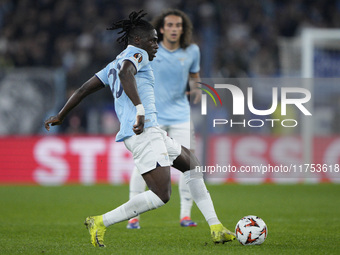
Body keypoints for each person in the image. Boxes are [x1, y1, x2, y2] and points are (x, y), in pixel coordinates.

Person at [44, 10, 235, 248]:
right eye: (153, 39)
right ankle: (100, 221)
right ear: (138, 40)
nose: (156, 44)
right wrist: (140, 110)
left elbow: (83, 89)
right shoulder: (137, 54)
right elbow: (126, 72)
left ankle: (216, 227)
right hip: (142, 131)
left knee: (192, 164)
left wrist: (61, 115)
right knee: (162, 194)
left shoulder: (112, 64)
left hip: (151, 131)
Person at [127, 9, 201, 229]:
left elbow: (195, 76)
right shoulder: (151, 50)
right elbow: (130, 73)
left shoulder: (192, 51)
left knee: (189, 164)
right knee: (144, 164)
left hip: (180, 116)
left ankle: (185, 216)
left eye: (178, 25)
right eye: (170, 25)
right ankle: (133, 216)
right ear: (161, 28)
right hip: (153, 117)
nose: (174, 29)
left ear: (183, 29)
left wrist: (196, 89)